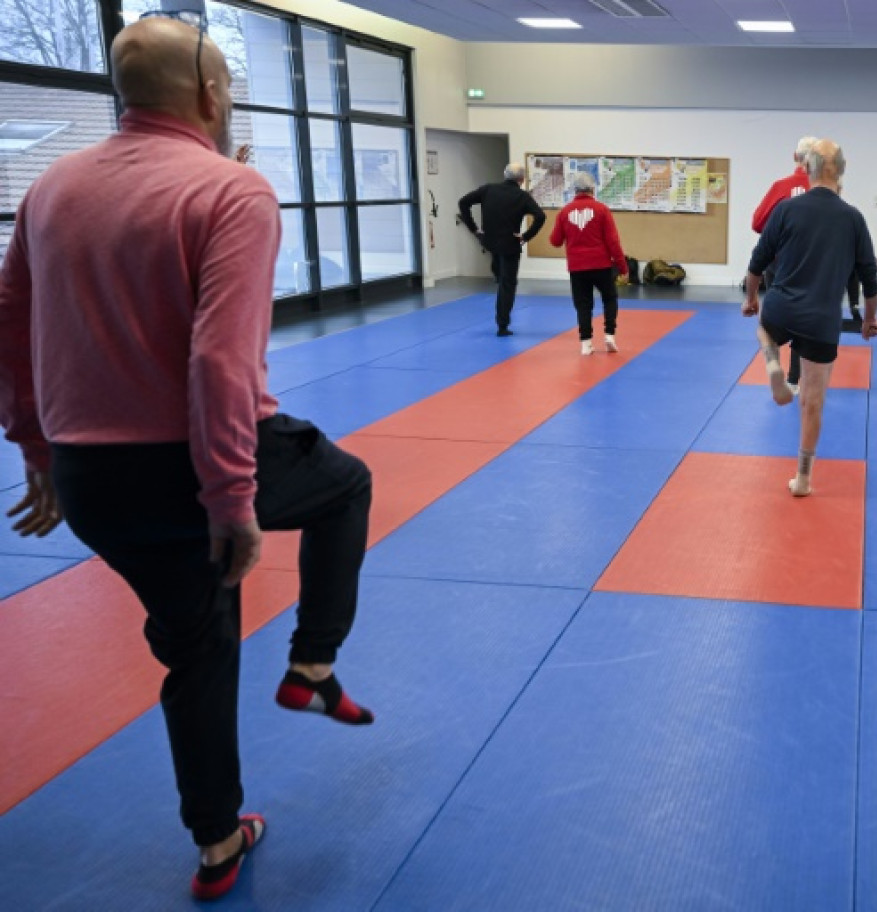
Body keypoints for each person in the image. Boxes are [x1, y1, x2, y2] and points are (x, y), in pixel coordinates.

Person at [0, 17, 376, 900]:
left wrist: (36, 450)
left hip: (95, 480)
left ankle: (217, 842)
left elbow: (10, 325)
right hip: (197, 462)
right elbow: (221, 361)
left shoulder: (49, 188)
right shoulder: (232, 191)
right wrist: (231, 497)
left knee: (197, 652)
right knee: (344, 485)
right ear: (212, 95)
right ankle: (313, 664)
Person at [742, 138, 877, 496]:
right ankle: (803, 477)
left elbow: (757, 262)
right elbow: (869, 278)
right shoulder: (852, 217)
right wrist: (869, 320)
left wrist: (750, 298)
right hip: (821, 318)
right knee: (813, 401)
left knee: (764, 331)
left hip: (781, 307)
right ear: (840, 173)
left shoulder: (786, 209)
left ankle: (773, 363)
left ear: (807, 169)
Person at [752, 136, 817, 393]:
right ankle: (794, 378)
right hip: (812, 265)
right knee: (806, 322)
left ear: (794, 157)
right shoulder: (826, 191)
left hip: (779, 262)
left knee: (774, 316)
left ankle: (773, 364)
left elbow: (757, 223)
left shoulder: (781, 187)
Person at [459, 163, 546, 335]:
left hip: (490, 242)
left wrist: (474, 228)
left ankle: (498, 277)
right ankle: (502, 325)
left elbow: (463, 202)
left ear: (505, 175)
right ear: (521, 179)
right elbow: (540, 216)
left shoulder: (488, 190)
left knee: (500, 276)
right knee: (508, 284)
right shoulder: (521, 196)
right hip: (510, 244)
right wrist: (525, 236)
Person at [549, 171, 628, 355]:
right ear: (593, 189)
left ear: (574, 190)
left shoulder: (565, 212)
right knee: (609, 298)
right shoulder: (602, 210)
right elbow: (613, 242)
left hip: (577, 267)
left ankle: (586, 342)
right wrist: (623, 267)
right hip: (601, 265)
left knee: (583, 304)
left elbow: (555, 241)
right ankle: (609, 335)